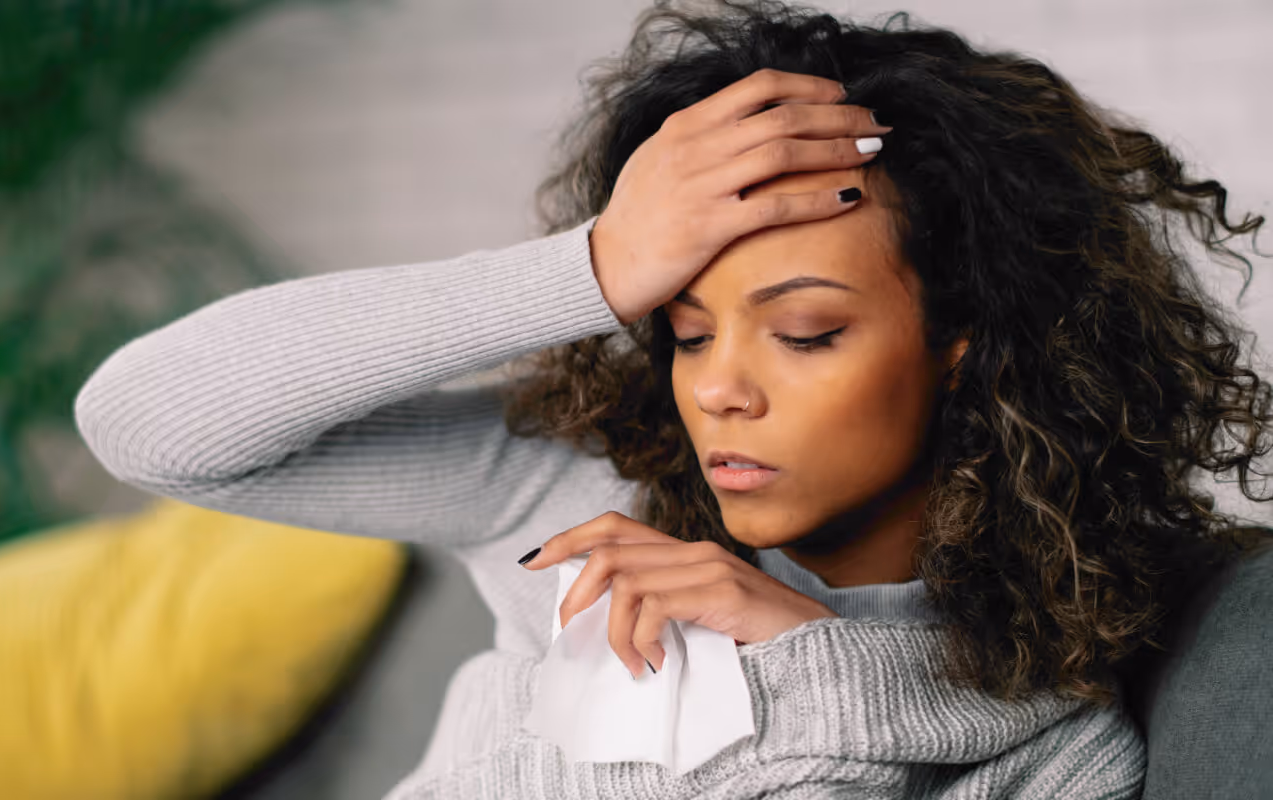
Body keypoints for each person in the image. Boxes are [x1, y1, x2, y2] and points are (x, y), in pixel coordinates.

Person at [73, 1, 1272, 797]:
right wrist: (589, 267)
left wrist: (814, 664)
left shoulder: (1054, 742)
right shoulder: (587, 489)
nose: (719, 392)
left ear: (966, 343)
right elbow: (149, 421)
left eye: (803, 332)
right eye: (685, 332)